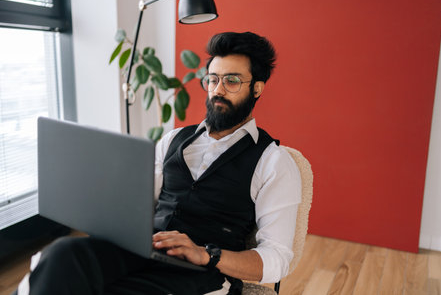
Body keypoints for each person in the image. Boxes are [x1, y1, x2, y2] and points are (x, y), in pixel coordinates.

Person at [13, 31, 302, 295]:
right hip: (146, 250)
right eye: (213, 79)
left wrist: (207, 254)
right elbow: (139, 204)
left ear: (257, 88)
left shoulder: (274, 162)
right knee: (63, 254)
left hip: (202, 272)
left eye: (232, 81)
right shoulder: (173, 139)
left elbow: (278, 259)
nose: (218, 90)